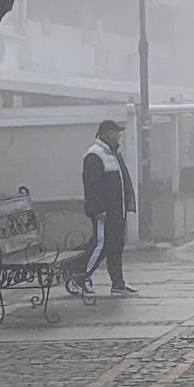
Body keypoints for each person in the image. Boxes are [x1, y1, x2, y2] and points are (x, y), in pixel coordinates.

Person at [77, 120, 138, 296]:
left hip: (117, 210)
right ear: (108, 134)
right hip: (104, 212)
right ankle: (81, 277)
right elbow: (92, 185)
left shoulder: (113, 154)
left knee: (116, 246)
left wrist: (127, 203)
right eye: (117, 134)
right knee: (100, 244)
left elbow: (123, 180)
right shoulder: (95, 155)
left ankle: (118, 283)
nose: (119, 137)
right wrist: (98, 209)